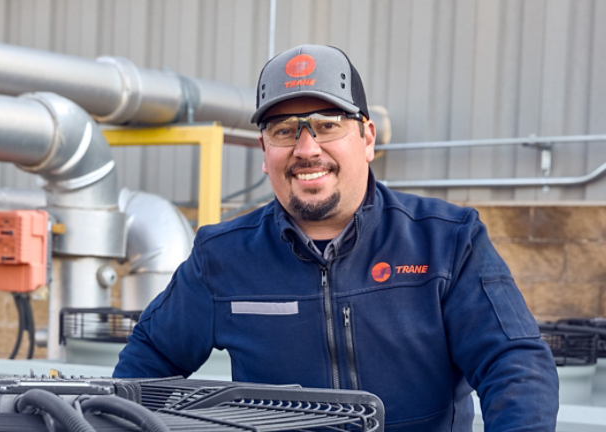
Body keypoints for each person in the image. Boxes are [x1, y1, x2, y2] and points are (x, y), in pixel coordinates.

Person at [114, 45, 559, 431]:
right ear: (264, 153)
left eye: (327, 124)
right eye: (284, 130)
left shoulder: (447, 241)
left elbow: (515, 364)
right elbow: (146, 366)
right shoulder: (222, 257)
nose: (306, 149)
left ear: (367, 138)